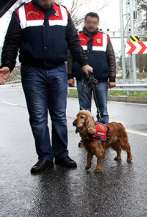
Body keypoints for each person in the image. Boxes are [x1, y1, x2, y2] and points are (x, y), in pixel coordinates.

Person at [0, 0, 93, 174]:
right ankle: (44, 157)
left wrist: (84, 63)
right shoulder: (21, 12)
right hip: (32, 71)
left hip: (58, 69)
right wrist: (7, 64)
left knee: (59, 115)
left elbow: (73, 41)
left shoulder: (63, 12)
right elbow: (11, 42)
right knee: (38, 117)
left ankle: (61, 155)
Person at [68, 12, 116, 124]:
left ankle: (104, 137)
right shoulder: (76, 37)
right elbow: (70, 57)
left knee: (102, 110)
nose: (91, 25)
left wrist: (112, 78)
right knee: (84, 111)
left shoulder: (104, 37)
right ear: (85, 22)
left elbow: (111, 58)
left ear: (97, 23)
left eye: (94, 23)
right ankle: (86, 138)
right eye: (89, 22)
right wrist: (69, 76)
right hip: (82, 79)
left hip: (101, 79)